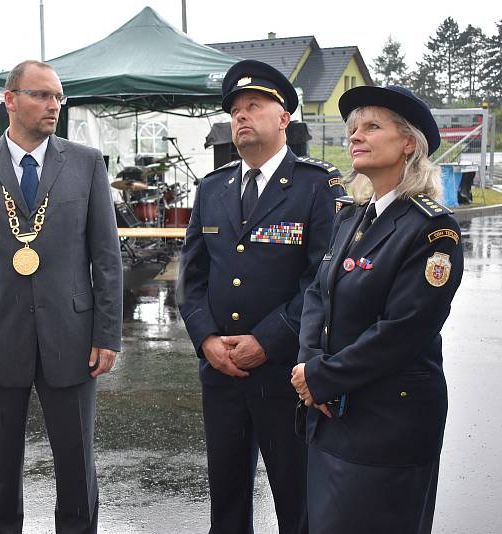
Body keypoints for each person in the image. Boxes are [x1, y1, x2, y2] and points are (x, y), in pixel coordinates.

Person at [0, 60, 123, 533]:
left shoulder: (85, 164)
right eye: (42, 95)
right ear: (10, 99)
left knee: (76, 465)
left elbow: (106, 257)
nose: (53, 106)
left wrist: (108, 333)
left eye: (58, 97)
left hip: (72, 333)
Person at [177, 59, 345, 534]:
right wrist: (208, 339)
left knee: (296, 500)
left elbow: (321, 281)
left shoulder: (317, 186)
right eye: (235, 110)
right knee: (226, 499)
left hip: (283, 371)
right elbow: (192, 278)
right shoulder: (212, 188)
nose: (241, 117)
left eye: (254, 106)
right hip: (221, 370)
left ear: (284, 119)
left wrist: (267, 340)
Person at [291, 85, 464, 534]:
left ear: (409, 143)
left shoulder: (431, 231)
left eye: (371, 126)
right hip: (330, 414)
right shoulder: (353, 216)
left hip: (388, 423)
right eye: (352, 129)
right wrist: (309, 364)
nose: (355, 136)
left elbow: (404, 331)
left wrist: (322, 377)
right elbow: (317, 294)